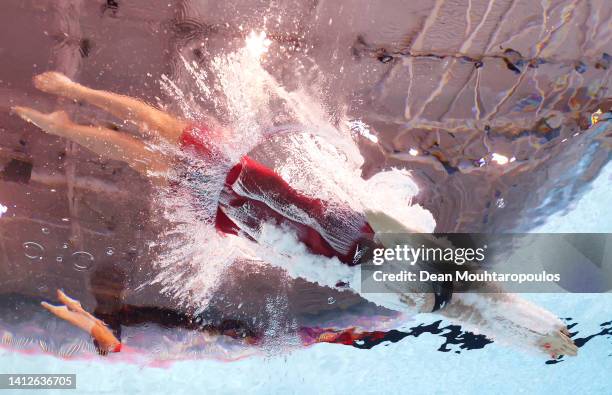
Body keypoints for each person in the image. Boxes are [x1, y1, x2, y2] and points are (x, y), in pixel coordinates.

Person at [12, 72, 577, 358]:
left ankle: (69, 99)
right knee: (158, 157)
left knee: (163, 136)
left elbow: (481, 304)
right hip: (272, 227)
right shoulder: (374, 266)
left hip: (293, 218)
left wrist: (539, 333)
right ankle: (65, 118)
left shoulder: (386, 248)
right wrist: (537, 336)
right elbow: (480, 310)